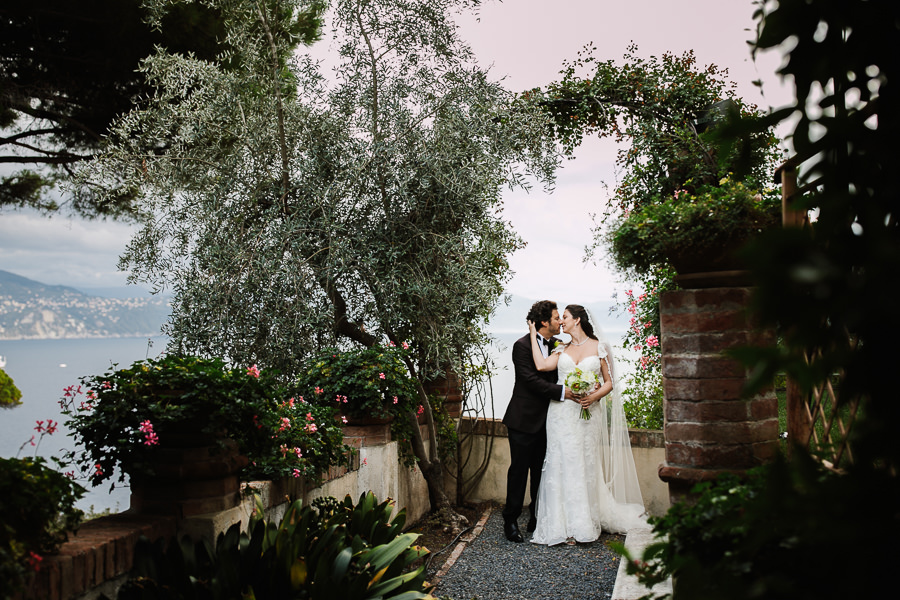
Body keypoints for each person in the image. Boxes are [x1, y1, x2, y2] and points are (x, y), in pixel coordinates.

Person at [528, 304, 646, 546]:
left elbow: (609, 383)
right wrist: (532, 334)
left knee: (584, 463)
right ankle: (561, 524)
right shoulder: (561, 348)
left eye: (566, 318)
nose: (561, 322)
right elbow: (541, 366)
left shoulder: (598, 346)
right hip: (560, 415)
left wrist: (593, 397)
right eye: (560, 319)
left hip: (587, 414)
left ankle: (583, 521)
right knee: (561, 462)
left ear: (578, 320)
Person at [501, 300, 577, 543]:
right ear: (544, 322)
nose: (559, 322)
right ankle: (510, 521)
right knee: (519, 472)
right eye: (556, 318)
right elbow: (530, 381)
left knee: (542, 472)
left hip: (550, 421)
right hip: (523, 420)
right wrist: (563, 392)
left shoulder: (558, 345)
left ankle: (537, 517)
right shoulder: (521, 346)